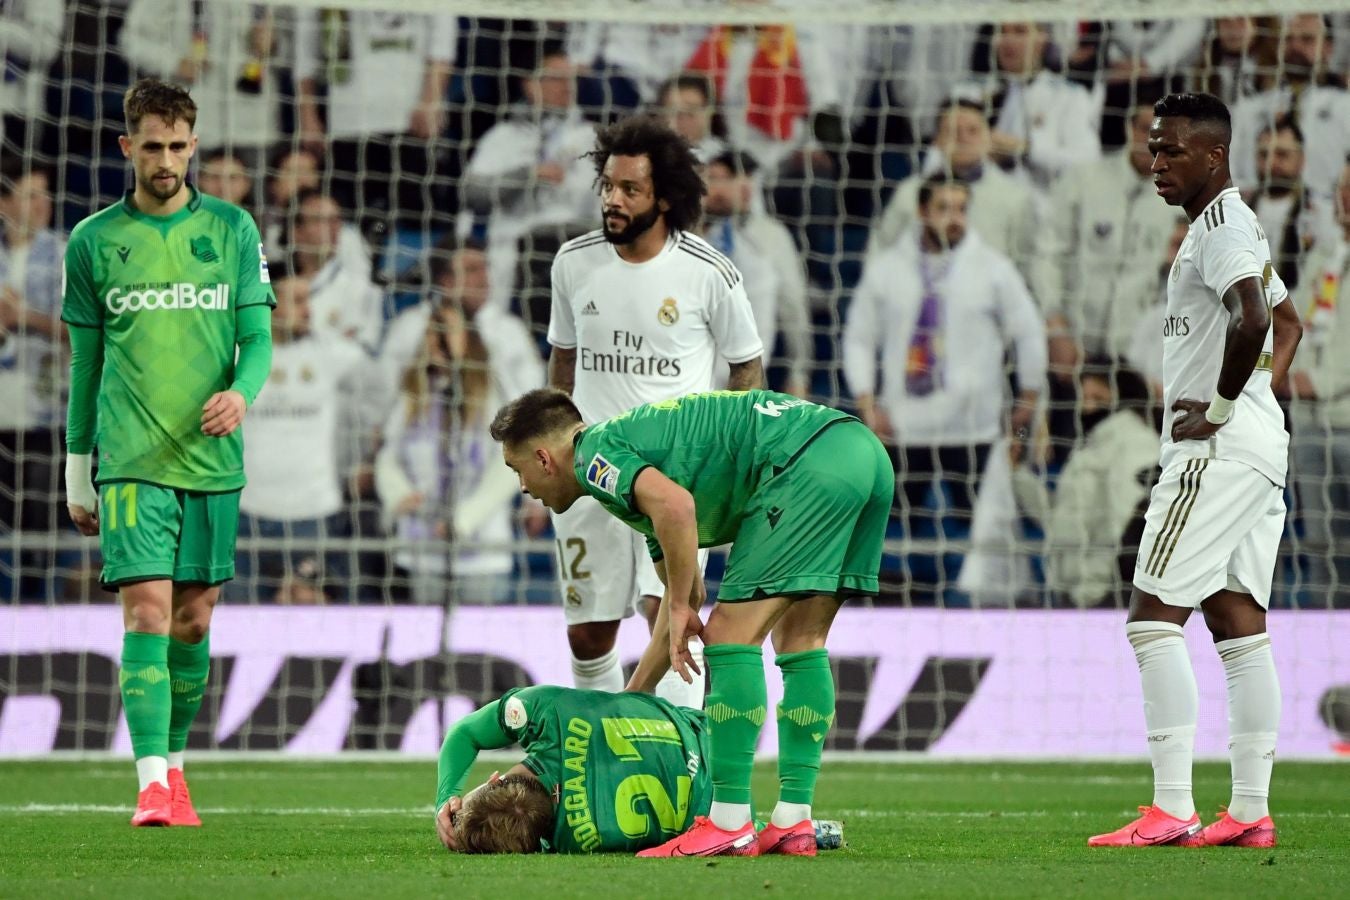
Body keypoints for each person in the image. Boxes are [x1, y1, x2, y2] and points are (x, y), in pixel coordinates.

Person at [489, 388, 892, 857]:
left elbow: (677, 510)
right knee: (800, 639)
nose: (522, 487)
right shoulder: (637, 481)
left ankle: (729, 823)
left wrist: (680, 606)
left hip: (804, 463)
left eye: (516, 469)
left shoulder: (594, 455)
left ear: (543, 458)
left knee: (727, 636)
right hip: (860, 452)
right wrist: (630, 701)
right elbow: (680, 601)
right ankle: (792, 820)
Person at [1088, 92, 1303, 849]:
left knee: (1151, 620)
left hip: (1214, 450)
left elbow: (1253, 317)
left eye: (1172, 150)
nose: (1157, 163)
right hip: (1255, 448)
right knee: (1237, 624)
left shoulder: (1220, 227)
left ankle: (1173, 806)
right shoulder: (1228, 224)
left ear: (1214, 155)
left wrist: (1219, 409)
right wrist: (1254, 406)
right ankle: (1249, 810)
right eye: (1153, 149)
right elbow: (1288, 320)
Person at [60, 79, 275, 827]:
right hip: (129, 459)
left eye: (178, 145)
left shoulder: (234, 230)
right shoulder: (91, 242)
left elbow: (258, 340)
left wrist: (243, 394)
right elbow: (85, 366)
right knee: (147, 614)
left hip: (212, 459)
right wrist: (74, 471)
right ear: (128, 147)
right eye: (151, 145)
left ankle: (176, 769)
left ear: (193, 146)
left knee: (192, 620)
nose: (165, 159)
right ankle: (151, 783)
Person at [545, 115, 763, 709]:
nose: (613, 201)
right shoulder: (572, 263)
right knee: (588, 634)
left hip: (673, 477)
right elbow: (562, 363)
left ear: (664, 198)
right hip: (592, 471)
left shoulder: (709, 273)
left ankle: (679, 758)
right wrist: (557, 454)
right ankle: (607, 754)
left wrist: (729, 462)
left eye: (630, 190)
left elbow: (747, 367)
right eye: (608, 187)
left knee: (668, 616)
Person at [433, 683, 842, 855]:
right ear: (493, 779)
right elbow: (463, 734)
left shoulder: (575, 842)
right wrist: (446, 797)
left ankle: (783, 828)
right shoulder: (542, 711)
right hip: (705, 728)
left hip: (721, 807)